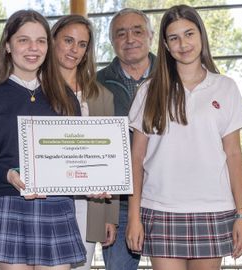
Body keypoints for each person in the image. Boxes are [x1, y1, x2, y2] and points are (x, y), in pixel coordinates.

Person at [0, 10, 86, 270]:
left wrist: (93, 179)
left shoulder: (65, 98)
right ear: (8, 45)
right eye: (23, 40)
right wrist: (6, 174)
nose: (33, 48)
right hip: (7, 203)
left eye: (41, 41)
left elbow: (76, 155)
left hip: (56, 205)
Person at [126, 5, 242, 270]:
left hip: (213, 209)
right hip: (160, 210)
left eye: (189, 34)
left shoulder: (226, 88)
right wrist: (133, 216)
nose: (183, 44)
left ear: (201, 36)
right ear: (166, 46)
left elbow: (234, 155)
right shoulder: (149, 91)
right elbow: (135, 158)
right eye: (174, 38)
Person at [51, 14, 119, 270]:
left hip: (87, 205)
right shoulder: (34, 89)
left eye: (82, 44)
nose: (74, 50)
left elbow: (110, 159)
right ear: (53, 39)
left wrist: (109, 216)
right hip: (42, 202)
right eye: (68, 40)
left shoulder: (101, 96)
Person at [96, 8, 155, 270]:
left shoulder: (175, 75)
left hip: (166, 199)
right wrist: (103, 214)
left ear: (151, 36)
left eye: (137, 31)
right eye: (121, 33)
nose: (129, 38)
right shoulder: (95, 84)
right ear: (112, 42)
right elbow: (92, 150)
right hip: (117, 204)